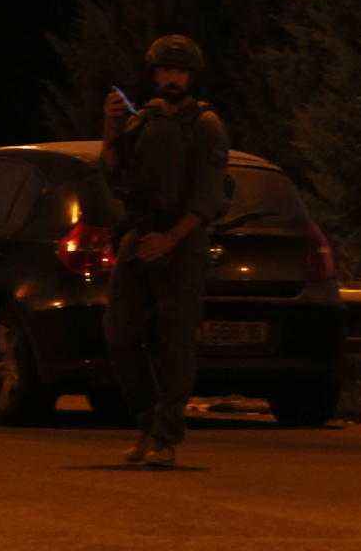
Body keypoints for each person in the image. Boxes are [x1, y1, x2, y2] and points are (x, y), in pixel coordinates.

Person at [100, 33, 232, 469]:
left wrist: (172, 238)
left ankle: (167, 435)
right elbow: (116, 173)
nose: (170, 78)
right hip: (142, 235)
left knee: (175, 341)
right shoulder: (146, 119)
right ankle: (146, 422)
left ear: (191, 76)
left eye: (178, 71)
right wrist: (112, 126)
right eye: (164, 70)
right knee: (121, 332)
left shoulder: (206, 125)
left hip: (182, 240)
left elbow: (207, 197)